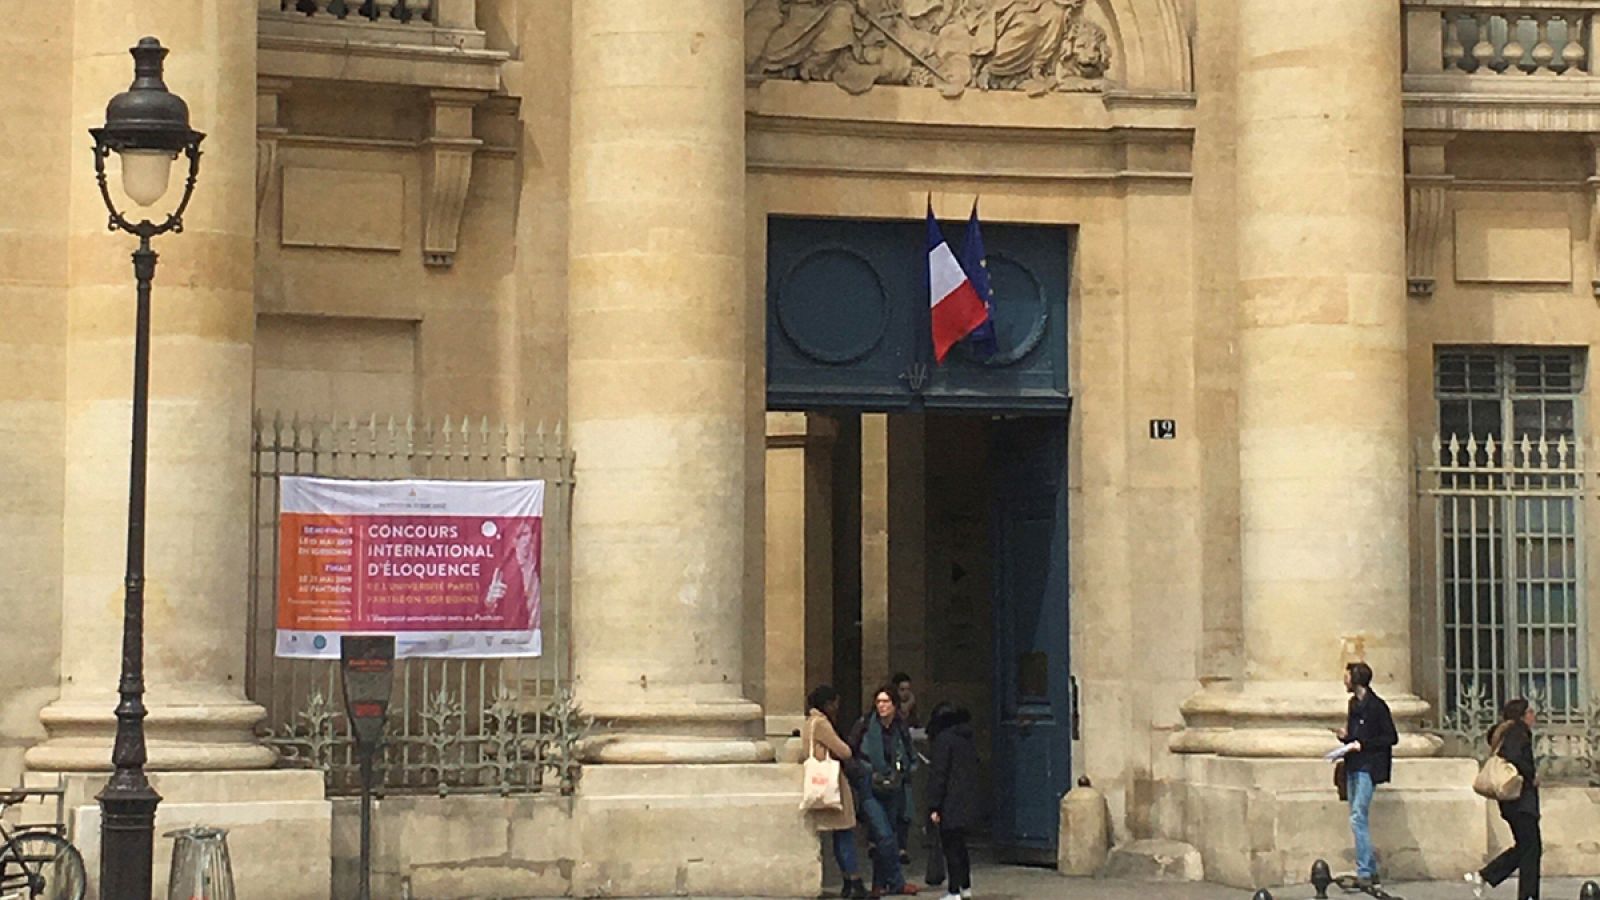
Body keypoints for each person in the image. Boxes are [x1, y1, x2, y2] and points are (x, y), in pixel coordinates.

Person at [1467, 698, 1542, 900]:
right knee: (1531, 847)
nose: (1533, 716)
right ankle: (1523, 893)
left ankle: (1486, 877)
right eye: (1530, 712)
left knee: (1527, 847)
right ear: (1522, 715)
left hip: (1512, 802)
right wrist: (1531, 776)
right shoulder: (1518, 732)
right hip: (1520, 800)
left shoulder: (1506, 732)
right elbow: (1515, 757)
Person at [850, 685, 921, 896]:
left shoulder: (900, 727)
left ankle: (878, 884)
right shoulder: (865, 724)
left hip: (893, 786)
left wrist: (903, 771)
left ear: (894, 705)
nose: (882, 706)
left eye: (886, 702)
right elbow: (850, 752)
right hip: (870, 786)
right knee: (884, 834)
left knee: (888, 835)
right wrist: (861, 774)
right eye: (879, 702)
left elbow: (910, 754)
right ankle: (897, 881)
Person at [1334, 661, 1398, 890]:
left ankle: (1364, 871)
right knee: (1356, 815)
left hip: (1368, 766)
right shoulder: (1353, 704)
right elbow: (1356, 734)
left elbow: (1391, 737)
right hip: (1353, 764)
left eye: (1347, 676)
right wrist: (1346, 737)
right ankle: (1370, 869)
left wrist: (1364, 744)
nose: (1345, 681)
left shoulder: (1377, 706)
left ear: (1356, 679)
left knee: (1357, 817)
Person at [805, 685, 868, 900]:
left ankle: (849, 881)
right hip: (833, 783)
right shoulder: (821, 723)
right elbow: (844, 751)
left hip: (822, 781)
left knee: (840, 835)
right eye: (835, 703)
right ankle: (853, 880)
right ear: (828, 703)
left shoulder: (809, 722)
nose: (837, 708)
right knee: (845, 833)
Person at [925, 701, 980, 900]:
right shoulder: (966, 738)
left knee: (951, 848)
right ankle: (965, 887)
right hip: (966, 798)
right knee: (961, 847)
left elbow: (939, 774)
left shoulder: (944, 740)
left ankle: (954, 890)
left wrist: (934, 805)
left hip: (949, 801)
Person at [890, 672, 921, 865]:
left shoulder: (911, 707)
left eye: (908, 690)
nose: (905, 694)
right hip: (890, 767)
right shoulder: (892, 713)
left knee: (905, 810)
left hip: (904, 769)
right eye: (902, 690)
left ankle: (902, 846)